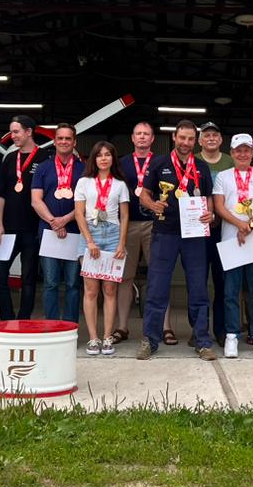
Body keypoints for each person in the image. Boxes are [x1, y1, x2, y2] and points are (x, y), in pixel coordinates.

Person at [137, 120, 216, 360]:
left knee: (198, 287)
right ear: (174, 137)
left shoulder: (201, 167)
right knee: (157, 286)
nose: (186, 143)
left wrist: (210, 214)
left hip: (194, 234)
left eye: (190, 139)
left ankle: (202, 341)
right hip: (165, 232)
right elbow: (144, 195)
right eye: (182, 138)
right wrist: (153, 205)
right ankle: (150, 340)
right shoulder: (159, 163)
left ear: (196, 141)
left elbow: (208, 199)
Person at [212, 133, 253, 358]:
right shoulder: (223, 176)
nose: (242, 154)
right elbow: (219, 206)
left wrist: (248, 225)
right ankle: (232, 335)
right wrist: (240, 225)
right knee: (231, 290)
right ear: (231, 152)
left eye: (246, 150)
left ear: (252, 152)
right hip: (231, 240)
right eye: (238, 150)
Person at [74, 141, 130, 355]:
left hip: (113, 234)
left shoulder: (120, 184)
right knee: (91, 290)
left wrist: (122, 243)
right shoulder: (84, 182)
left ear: (113, 158)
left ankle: (107, 337)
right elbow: (79, 213)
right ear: (94, 159)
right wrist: (89, 241)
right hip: (90, 233)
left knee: (110, 289)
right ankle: (93, 338)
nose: (104, 158)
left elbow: (125, 216)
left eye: (108, 154)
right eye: (99, 155)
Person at [0, 115, 44, 319]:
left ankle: (23, 320)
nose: (12, 136)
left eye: (16, 132)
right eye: (11, 132)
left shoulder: (45, 158)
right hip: (8, 229)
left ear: (28, 132)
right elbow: (1, 194)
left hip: (33, 229)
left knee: (28, 279)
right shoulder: (9, 158)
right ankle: (7, 318)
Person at [32, 123, 86, 322]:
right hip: (49, 232)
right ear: (54, 141)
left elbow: (87, 202)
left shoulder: (84, 169)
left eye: (68, 138)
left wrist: (65, 220)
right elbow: (35, 200)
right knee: (50, 282)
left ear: (74, 142)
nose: (64, 142)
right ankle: (52, 326)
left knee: (73, 283)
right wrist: (54, 222)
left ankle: (70, 326)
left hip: (76, 231)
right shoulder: (43, 168)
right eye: (60, 138)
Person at [115, 121, 158, 344]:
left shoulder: (161, 162)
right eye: (138, 133)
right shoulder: (121, 163)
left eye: (146, 134)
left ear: (152, 138)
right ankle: (122, 327)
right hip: (128, 224)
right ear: (132, 138)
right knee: (125, 277)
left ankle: (165, 327)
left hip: (154, 224)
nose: (142, 137)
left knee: (159, 276)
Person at [198, 120, 232, 342]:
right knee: (198, 283)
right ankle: (199, 330)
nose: (211, 138)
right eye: (206, 135)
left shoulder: (231, 161)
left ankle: (221, 330)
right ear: (200, 140)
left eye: (215, 135)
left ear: (220, 140)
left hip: (224, 229)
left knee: (223, 283)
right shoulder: (193, 161)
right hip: (198, 231)